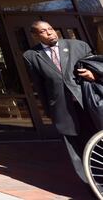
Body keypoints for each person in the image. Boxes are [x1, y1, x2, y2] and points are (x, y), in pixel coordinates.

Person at [22, 20, 100, 182]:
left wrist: (94, 75)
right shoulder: (31, 56)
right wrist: (49, 110)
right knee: (75, 148)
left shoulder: (78, 46)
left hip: (87, 102)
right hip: (62, 108)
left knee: (97, 138)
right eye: (43, 31)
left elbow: (96, 66)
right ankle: (89, 183)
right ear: (35, 36)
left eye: (50, 28)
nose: (49, 32)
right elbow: (40, 86)